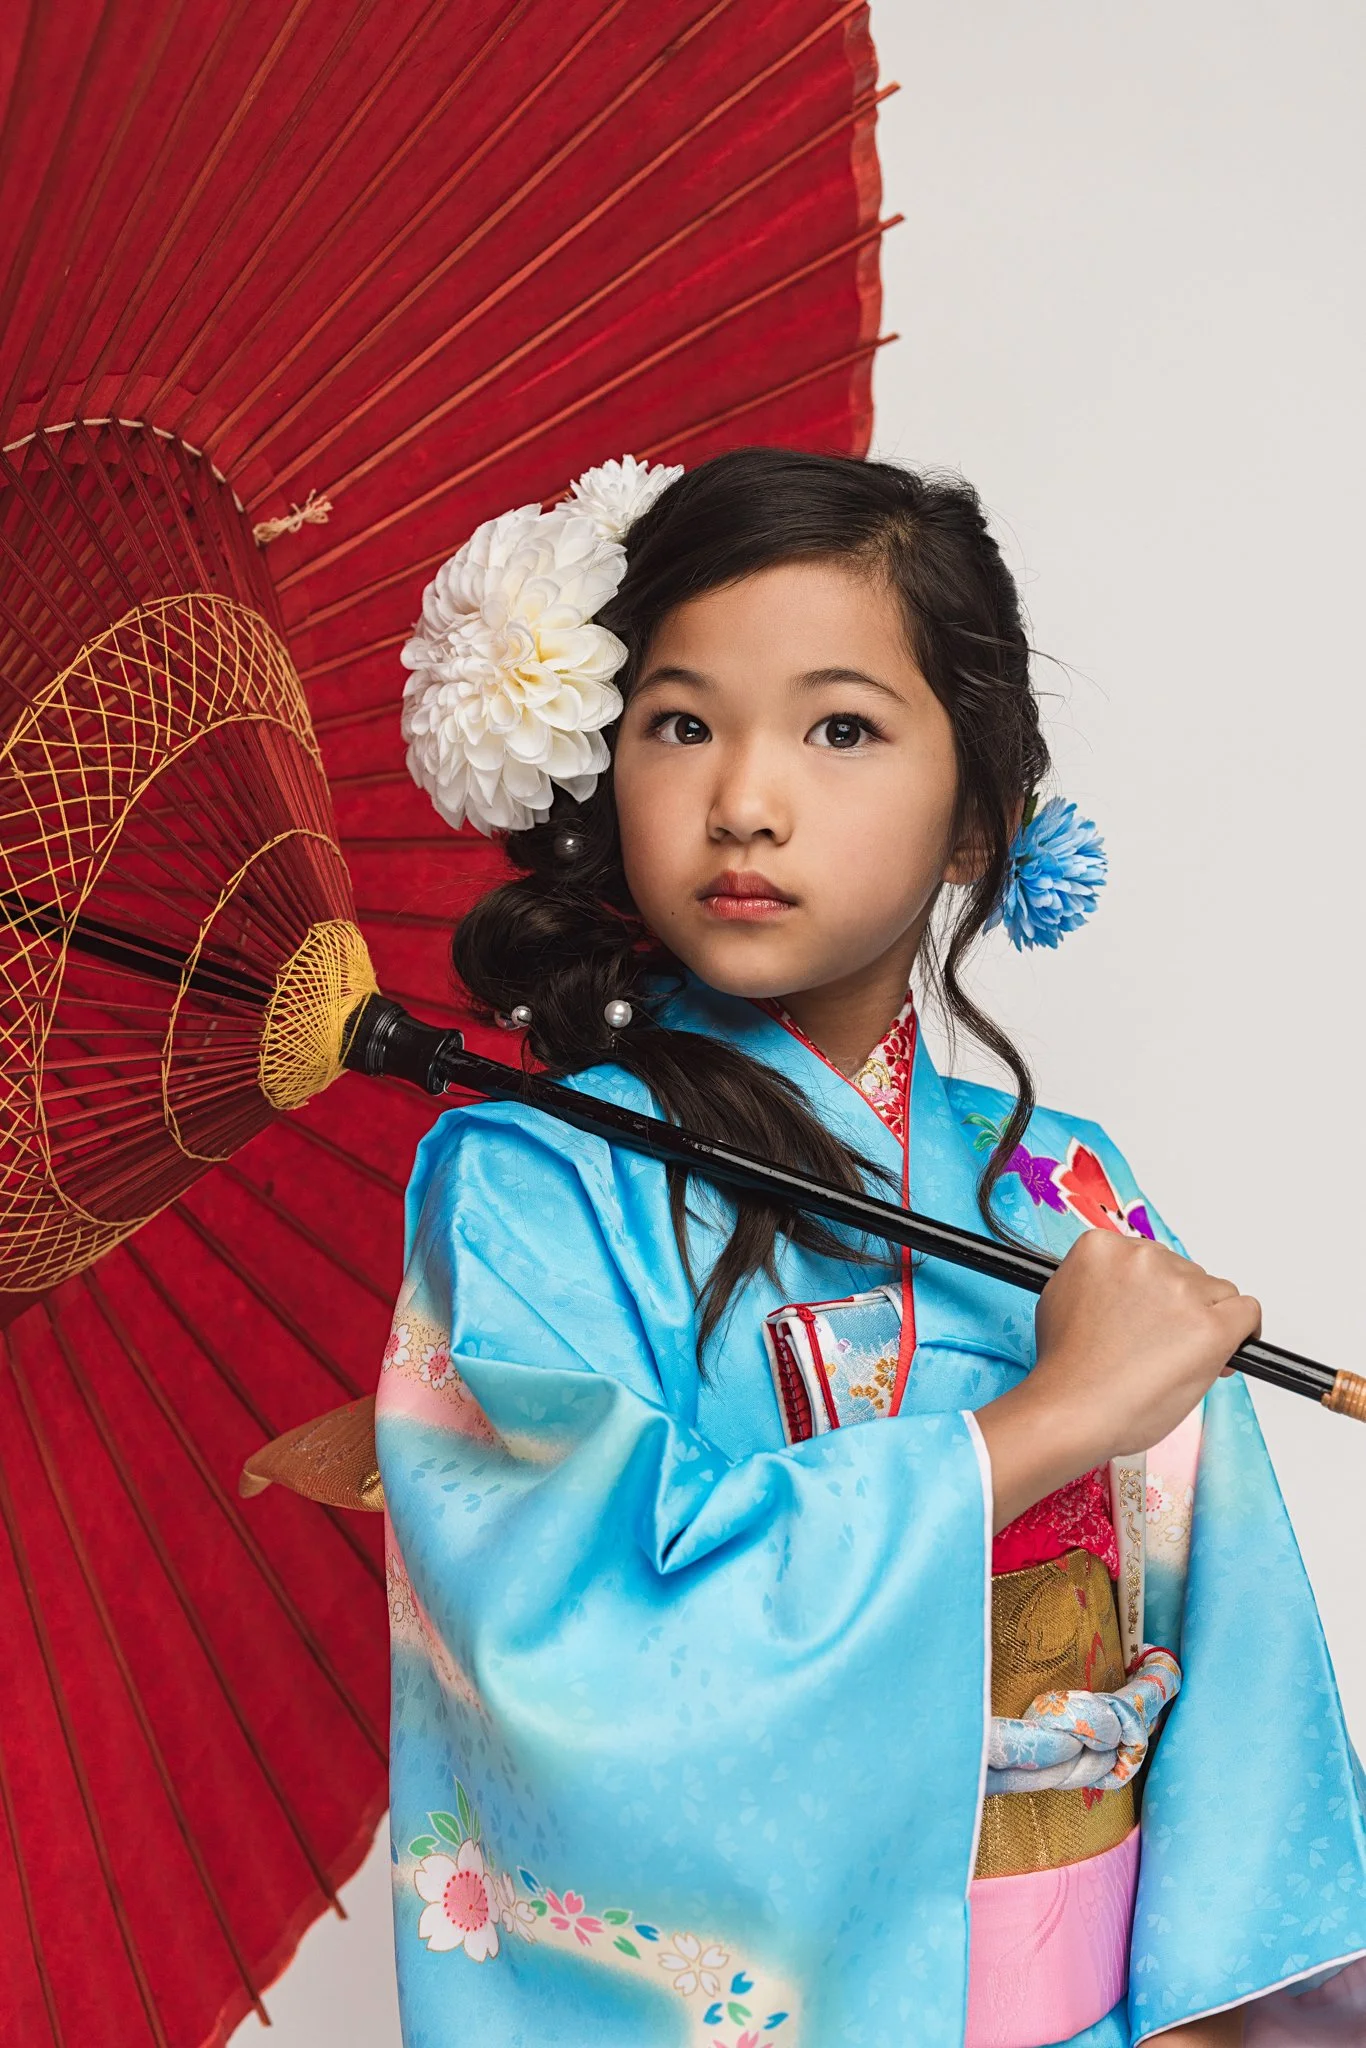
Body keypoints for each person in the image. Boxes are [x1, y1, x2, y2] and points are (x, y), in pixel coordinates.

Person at [376, 448, 1366, 2046]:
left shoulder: (1063, 1183)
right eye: (678, 723)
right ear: (597, 771)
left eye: (840, 728)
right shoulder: (531, 1183)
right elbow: (576, 1641)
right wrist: (1044, 1426)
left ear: (976, 812)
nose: (744, 798)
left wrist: (1205, 2010)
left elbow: (1227, 1638)